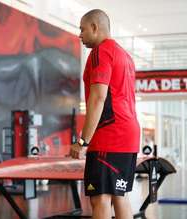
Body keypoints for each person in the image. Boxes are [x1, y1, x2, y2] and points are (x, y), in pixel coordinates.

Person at [70, 9, 140, 219]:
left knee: (100, 198)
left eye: (82, 29)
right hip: (129, 134)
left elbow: (99, 98)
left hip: (110, 134)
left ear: (95, 27)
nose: (79, 35)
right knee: (120, 196)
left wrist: (83, 141)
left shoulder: (101, 52)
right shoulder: (124, 55)